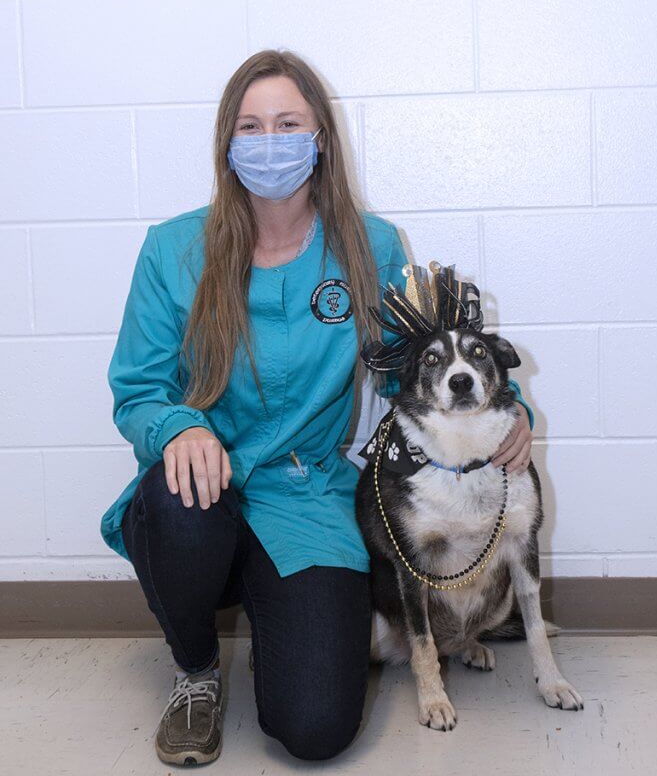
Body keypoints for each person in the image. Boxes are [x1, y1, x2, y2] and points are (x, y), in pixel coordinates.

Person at [100, 49, 535, 766]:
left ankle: (278, 612)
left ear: (320, 138)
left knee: (316, 728)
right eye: (250, 126)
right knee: (176, 500)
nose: (269, 143)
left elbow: (418, 361)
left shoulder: (371, 247)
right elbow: (139, 389)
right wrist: (179, 427)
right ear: (226, 143)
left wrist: (505, 403)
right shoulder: (171, 250)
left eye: (287, 123)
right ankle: (197, 672)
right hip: (204, 493)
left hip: (306, 498)